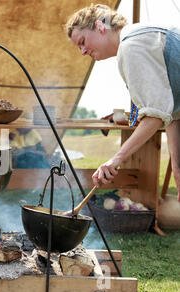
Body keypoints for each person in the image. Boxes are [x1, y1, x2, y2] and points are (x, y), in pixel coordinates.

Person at [65, 4, 180, 201]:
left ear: (100, 26)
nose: (83, 51)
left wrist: (115, 159)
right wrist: (177, 169)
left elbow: (154, 115)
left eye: (82, 41)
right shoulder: (139, 38)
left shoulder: (131, 46)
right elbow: (172, 112)